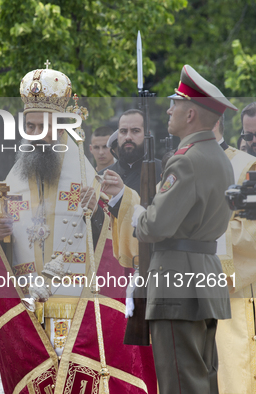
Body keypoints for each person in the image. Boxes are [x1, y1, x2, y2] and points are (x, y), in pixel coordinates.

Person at [0, 65, 157, 394]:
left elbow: (110, 241)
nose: (38, 133)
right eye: (31, 126)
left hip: (78, 308)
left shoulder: (85, 175)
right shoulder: (13, 179)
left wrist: (104, 207)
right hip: (31, 312)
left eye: (45, 125)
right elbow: (0, 246)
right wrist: (3, 233)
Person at [102, 64, 236, 393]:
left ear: (191, 114)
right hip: (203, 275)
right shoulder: (219, 158)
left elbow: (155, 225)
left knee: (179, 381)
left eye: (175, 103)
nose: (169, 109)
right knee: (203, 378)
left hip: (176, 281)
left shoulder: (185, 159)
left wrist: (138, 213)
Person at [208, 116, 256, 394]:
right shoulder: (176, 162)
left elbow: (251, 232)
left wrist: (197, 233)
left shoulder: (245, 166)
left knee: (233, 372)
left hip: (233, 291)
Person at [99, 109, 162, 192]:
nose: (128, 137)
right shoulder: (102, 178)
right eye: (123, 131)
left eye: (135, 131)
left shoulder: (163, 172)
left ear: (147, 135)